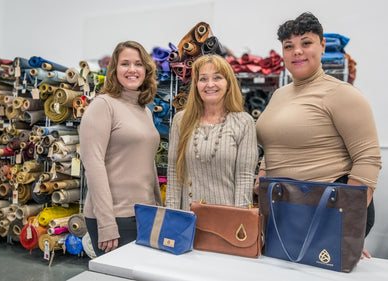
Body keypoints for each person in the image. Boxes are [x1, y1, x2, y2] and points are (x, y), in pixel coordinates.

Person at [254, 12, 382, 258]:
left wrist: (344, 224)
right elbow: (272, 143)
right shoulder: (279, 95)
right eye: (289, 46)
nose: (297, 51)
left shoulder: (341, 94)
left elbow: (368, 161)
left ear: (322, 45)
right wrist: (262, 172)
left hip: (329, 208)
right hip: (286, 209)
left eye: (306, 43)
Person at [79, 41, 163, 256]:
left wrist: (158, 208)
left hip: (144, 213)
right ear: (114, 70)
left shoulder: (145, 111)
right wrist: (106, 223)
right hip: (115, 216)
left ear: (146, 69)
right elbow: (93, 165)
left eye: (138, 64)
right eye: (125, 64)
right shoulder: (103, 105)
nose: (132, 70)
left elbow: (148, 163)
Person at [166, 54, 258, 210]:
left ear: (228, 84)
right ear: (195, 85)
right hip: (188, 223)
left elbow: (244, 179)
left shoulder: (243, 122)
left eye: (217, 78)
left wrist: (239, 222)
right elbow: (175, 174)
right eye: (203, 79)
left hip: (226, 223)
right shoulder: (181, 121)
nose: (209, 84)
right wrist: (171, 217)